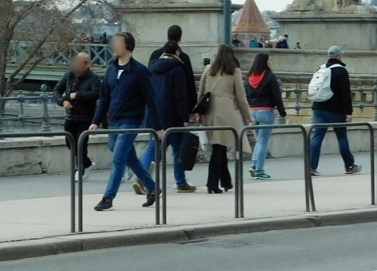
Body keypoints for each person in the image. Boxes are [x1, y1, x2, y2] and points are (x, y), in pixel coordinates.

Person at [89, 32, 161, 211]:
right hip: (114, 121)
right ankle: (152, 187)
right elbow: (104, 98)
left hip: (131, 121)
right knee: (131, 159)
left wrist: (158, 126)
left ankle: (108, 198)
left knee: (118, 159)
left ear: (128, 46)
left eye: (118, 42)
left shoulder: (140, 71)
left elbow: (151, 100)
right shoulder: (111, 70)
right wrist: (95, 121)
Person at [140, 42, 195, 193]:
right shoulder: (177, 69)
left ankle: (141, 177)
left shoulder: (152, 68)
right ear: (176, 52)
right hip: (173, 116)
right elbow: (180, 97)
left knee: (153, 148)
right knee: (177, 149)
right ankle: (180, 181)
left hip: (155, 114)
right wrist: (185, 118)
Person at [198, 44, 254, 193]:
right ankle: (212, 183)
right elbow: (241, 97)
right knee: (220, 148)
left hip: (210, 111)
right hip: (227, 111)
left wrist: (199, 112)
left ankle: (226, 181)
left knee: (219, 146)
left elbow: (201, 92)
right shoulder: (234, 71)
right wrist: (248, 116)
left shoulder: (208, 69)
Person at [309, 44, 362, 176]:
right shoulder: (341, 71)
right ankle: (349, 165)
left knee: (317, 137)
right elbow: (345, 94)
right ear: (339, 56)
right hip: (335, 110)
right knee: (342, 137)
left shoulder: (321, 68)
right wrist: (348, 112)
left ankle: (311, 166)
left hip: (319, 107)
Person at [54, 51, 100, 180]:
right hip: (70, 116)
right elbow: (57, 90)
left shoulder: (94, 78)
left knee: (81, 143)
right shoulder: (69, 76)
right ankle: (88, 163)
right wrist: (62, 101)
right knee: (70, 143)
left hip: (85, 117)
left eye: (81, 62)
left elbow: (96, 94)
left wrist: (77, 95)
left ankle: (79, 170)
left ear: (87, 64)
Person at [245, 51, 287, 180]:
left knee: (259, 141)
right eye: (270, 60)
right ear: (265, 62)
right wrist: (282, 113)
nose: (271, 62)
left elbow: (246, 95)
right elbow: (276, 96)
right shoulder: (270, 76)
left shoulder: (249, 77)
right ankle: (259, 170)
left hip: (253, 111)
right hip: (265, 111)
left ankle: (254, 164)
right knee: (263, 142)